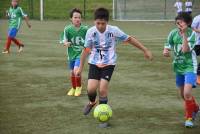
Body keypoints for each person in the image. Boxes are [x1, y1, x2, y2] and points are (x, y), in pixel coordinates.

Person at [76, 8, 153, 116]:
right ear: (94, 22)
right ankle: (92, 102)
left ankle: (103, 113)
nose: (100, 26)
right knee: (91, 89)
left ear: (107, 22)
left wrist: (145, 50)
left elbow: (130, 39)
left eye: (103, 23)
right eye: (98, 23)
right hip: (94, 63)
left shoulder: (114, 30)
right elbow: (86, 50)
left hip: (109, 64)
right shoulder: (90, 32)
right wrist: (80, 68)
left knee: (102, 89)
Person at [163, 12, 199, 128]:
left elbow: (185, 50)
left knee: (187, 93)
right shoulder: (173, 33)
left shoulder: (193, 34)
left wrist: (184, 35)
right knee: (183, 95)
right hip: (178, 67)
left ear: (188, 23)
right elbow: (167, 44)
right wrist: (166, 51)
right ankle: (196, 107)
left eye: (182, 22)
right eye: (177, 22)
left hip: (190, 67)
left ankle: (189, 118)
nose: (179, 24)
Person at [60, 8, 88, 96]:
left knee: (76, 71)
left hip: (81, 54)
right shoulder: (67, 29)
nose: (77, 19)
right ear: (71, 19)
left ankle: (79, 87)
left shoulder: (85, 29)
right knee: (72, 72)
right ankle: (74, 87)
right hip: (71, 54)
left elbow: (90, 39)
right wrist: (65, 43)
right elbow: (63, 39)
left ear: (81, 19)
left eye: (79, 17)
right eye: (75, 17)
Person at [192, 14, 200, 84]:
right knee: (191, 58)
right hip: (198, 43)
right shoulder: (197, 18)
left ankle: (197, 77)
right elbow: (193, 28)